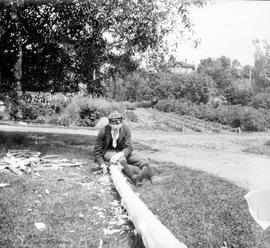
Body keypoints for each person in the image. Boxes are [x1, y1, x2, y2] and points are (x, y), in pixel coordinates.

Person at [94, 111, 153, 185]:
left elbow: (129, 147)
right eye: (113, 124)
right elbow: (97, 150)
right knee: (121, 159)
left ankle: (151, 177)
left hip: (122, 151)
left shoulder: (126, 129)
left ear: (121, 123)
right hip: (108, 151)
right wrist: (102, 164)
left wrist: (120, 154)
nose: (116, 126)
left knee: (140, 159)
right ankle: (134, 178)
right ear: (109, 124)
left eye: (118, 124)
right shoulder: (103, 131)